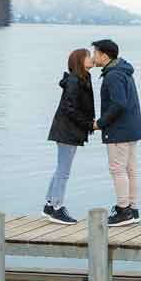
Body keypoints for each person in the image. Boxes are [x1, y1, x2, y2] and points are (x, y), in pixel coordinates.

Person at [90, 38, 141, 226]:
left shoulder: (113, 75)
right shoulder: (123, 71)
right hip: (131, 128)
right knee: (130, 169)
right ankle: (133, 209)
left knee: (117, 169)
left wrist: (100, 123)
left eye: (95, 52)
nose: (93, 56)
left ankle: (123, 210)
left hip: (119, 130)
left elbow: (119, 104)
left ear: (104, 55)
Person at [42, 47, 99, 224]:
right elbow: (70, 108)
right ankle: (57, 208)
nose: (92, 58)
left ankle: (50, 204)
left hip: (68, 130)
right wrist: (89, 124)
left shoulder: (83, 78)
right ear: (80, 61)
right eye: (88, 56)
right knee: (63, 171)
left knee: (61, 168)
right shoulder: (75, 81)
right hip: (66, 130)